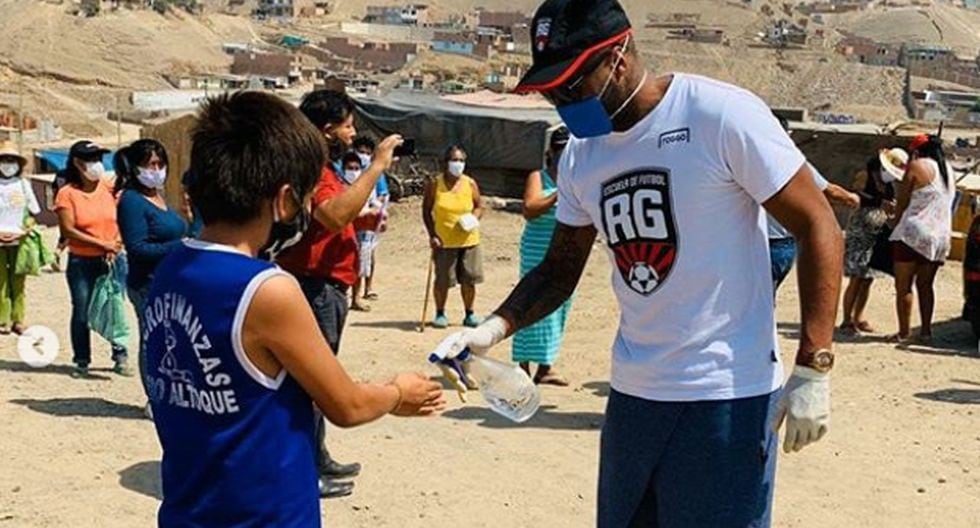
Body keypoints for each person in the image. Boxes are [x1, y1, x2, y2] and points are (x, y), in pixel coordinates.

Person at [434, 1, 843, 526]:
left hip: (725, 397)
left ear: (619, 57)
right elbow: (559, 269)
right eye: (551, 91)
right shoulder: (585, 155)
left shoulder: (718, 116)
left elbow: (818, 224)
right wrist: (491, 329)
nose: (562, 102)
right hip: (635, 397)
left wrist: (814, 364)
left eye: (572, 86)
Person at [144, 91, 444, 528]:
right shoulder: (267, 290)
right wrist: (399, 393)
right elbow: (347, 406)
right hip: (267, 515)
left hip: (188, 510)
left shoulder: (173, 266)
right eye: (304, 197)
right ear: (284, 200)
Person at [276, 89, 402, 498]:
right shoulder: (310, 166)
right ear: (328, 129)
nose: (352, 133)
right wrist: (377, 165)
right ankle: (302, 473)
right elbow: (330, 216)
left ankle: (316, 456)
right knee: (312, 383)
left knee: (315, 380)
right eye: (347, 125)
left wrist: (359, 226)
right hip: (314, 287)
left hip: (326, 285)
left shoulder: (319, 166)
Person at [115, 139, 189, 403]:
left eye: (159, 164)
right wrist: (181, 246)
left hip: (171, 281)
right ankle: (154, 397)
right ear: (135, 168)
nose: (156, 170)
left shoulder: (159, 196)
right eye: (149, 165)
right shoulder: (132, 201)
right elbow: (137, 247)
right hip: (147, 283)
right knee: (153, 341)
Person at [54, 140, 130, 379]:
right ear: (77, 163)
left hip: (111, 260)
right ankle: (82, 360)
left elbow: (119, 219)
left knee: (115, 308)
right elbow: (69, 230)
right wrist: (102, 244)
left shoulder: (108, 188)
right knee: (82, 311)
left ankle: (120, 355)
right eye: (91, 159)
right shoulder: (67, 194)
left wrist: (115, 243)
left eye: (99, 158)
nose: (96, 164)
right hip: (82, 263)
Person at [767, 116, 859, 294]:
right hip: (777, 244)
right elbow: (829, 191)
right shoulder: (790, 161)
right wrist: (853, 199)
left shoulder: (740, 157)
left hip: (753, 241)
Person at [511, 128, 572, 386]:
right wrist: (559, 192)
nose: (565, 155)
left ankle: (545, 367)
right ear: (551, 153)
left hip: (566, 252)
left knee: (559, 306)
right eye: (560, 150)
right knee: (532, 301)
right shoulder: (539, 177)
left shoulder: (579, 177)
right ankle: (523, 366)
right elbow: (530, 209)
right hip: (537, 248)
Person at [889, 134, 954, 344]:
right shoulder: (948, 171)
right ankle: (926, 331)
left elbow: (902, 201)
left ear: (916, 151)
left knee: (904, 285)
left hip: (912, 233)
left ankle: (904, 332)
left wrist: (894, 222)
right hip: (940, 236)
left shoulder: (917, 166)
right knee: (926, 285)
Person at [422, 144, 485, 329]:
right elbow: (426, 210)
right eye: (454, 160)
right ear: (446, 162)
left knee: (469, 278)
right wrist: (432, 234)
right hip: (443, 241)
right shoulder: (435, 184)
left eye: (461, 161)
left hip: (469, 239)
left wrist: (474, 218)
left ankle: (469, 313)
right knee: (442, 280)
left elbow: (480, 205)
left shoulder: (470, 183)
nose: (458, 164)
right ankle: (440, 313)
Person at [840, 150, 901, 336]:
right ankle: (847, 320)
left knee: (868, 279)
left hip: (878, 233)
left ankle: (859, 317)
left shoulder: (888, 183)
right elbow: (858, 196)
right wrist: (878, 201)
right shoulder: (865, 176)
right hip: (861, 233)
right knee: (857, 278)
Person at [0, 142, 41, 335]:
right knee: (1, 281)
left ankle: (18, 319)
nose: (8, 164)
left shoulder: (24, 185)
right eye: (4, 160)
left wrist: (26, 229)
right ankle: (3, 319)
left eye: (11, 160)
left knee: (18, 281)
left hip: (20, 240)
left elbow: (34, 213)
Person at [340, 151, 383, 312]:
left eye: (356, 168)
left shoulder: (366, 187)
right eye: (350, 168)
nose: (353, 171)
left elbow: (375, 203)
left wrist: (375, 213)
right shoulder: (337, 187)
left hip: (363, 231)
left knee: (359, 265)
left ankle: (356, 297)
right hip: (342, 231)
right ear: (343, 169)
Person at [353, 136, 390, 302]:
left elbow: (382, 194)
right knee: (356, 255)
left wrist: (377, 212)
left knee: (368, 253)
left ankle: (367, 288)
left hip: (370, 219)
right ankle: (355, 294)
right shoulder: (350, 169)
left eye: (367, 153)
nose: (364, 156)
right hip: (352, 218)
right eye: (360, 152)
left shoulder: (375, 172)